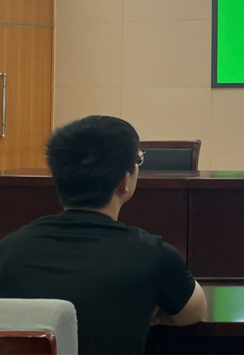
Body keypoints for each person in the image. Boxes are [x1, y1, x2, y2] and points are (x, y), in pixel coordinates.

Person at [0, 115, 206, 355]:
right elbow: (193, 312)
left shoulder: (7, 249)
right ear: (123, 181)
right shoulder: (154, 255)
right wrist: (138, 312)